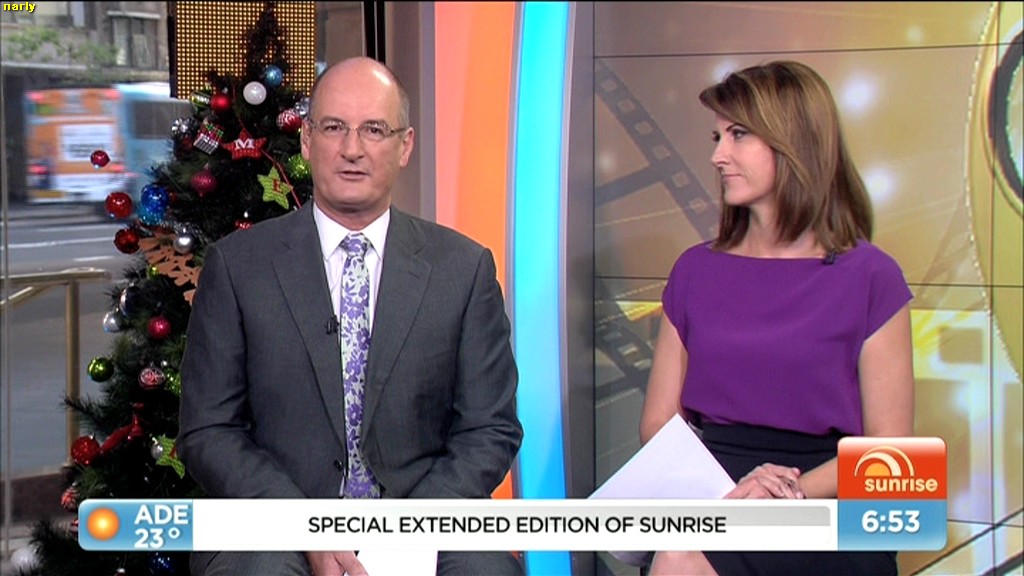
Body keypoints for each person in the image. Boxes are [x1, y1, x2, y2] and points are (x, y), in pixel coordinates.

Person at [178, 56, 524, 576]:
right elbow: (209, 429)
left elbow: (490, 428)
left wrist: (410, 532)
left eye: (374, 130)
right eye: (334, 127)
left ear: (405, 146)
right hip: (277, 520)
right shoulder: (237, 266)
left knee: (485, 569)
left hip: (424, 517)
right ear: (306, 140)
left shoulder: (463, 269)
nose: (352, 149)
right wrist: (301, 523)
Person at [639, 60, 914, 576]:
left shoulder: (871, 277)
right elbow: (659, 423)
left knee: (682, 556)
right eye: (717, 137)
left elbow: (891, 449)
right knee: (679, 552)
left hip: (825, 501)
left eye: (739, 135)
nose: (718, 156)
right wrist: (726, 497)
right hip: (713, 492)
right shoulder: (695, 271)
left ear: (794, 143)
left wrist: (782, 492)